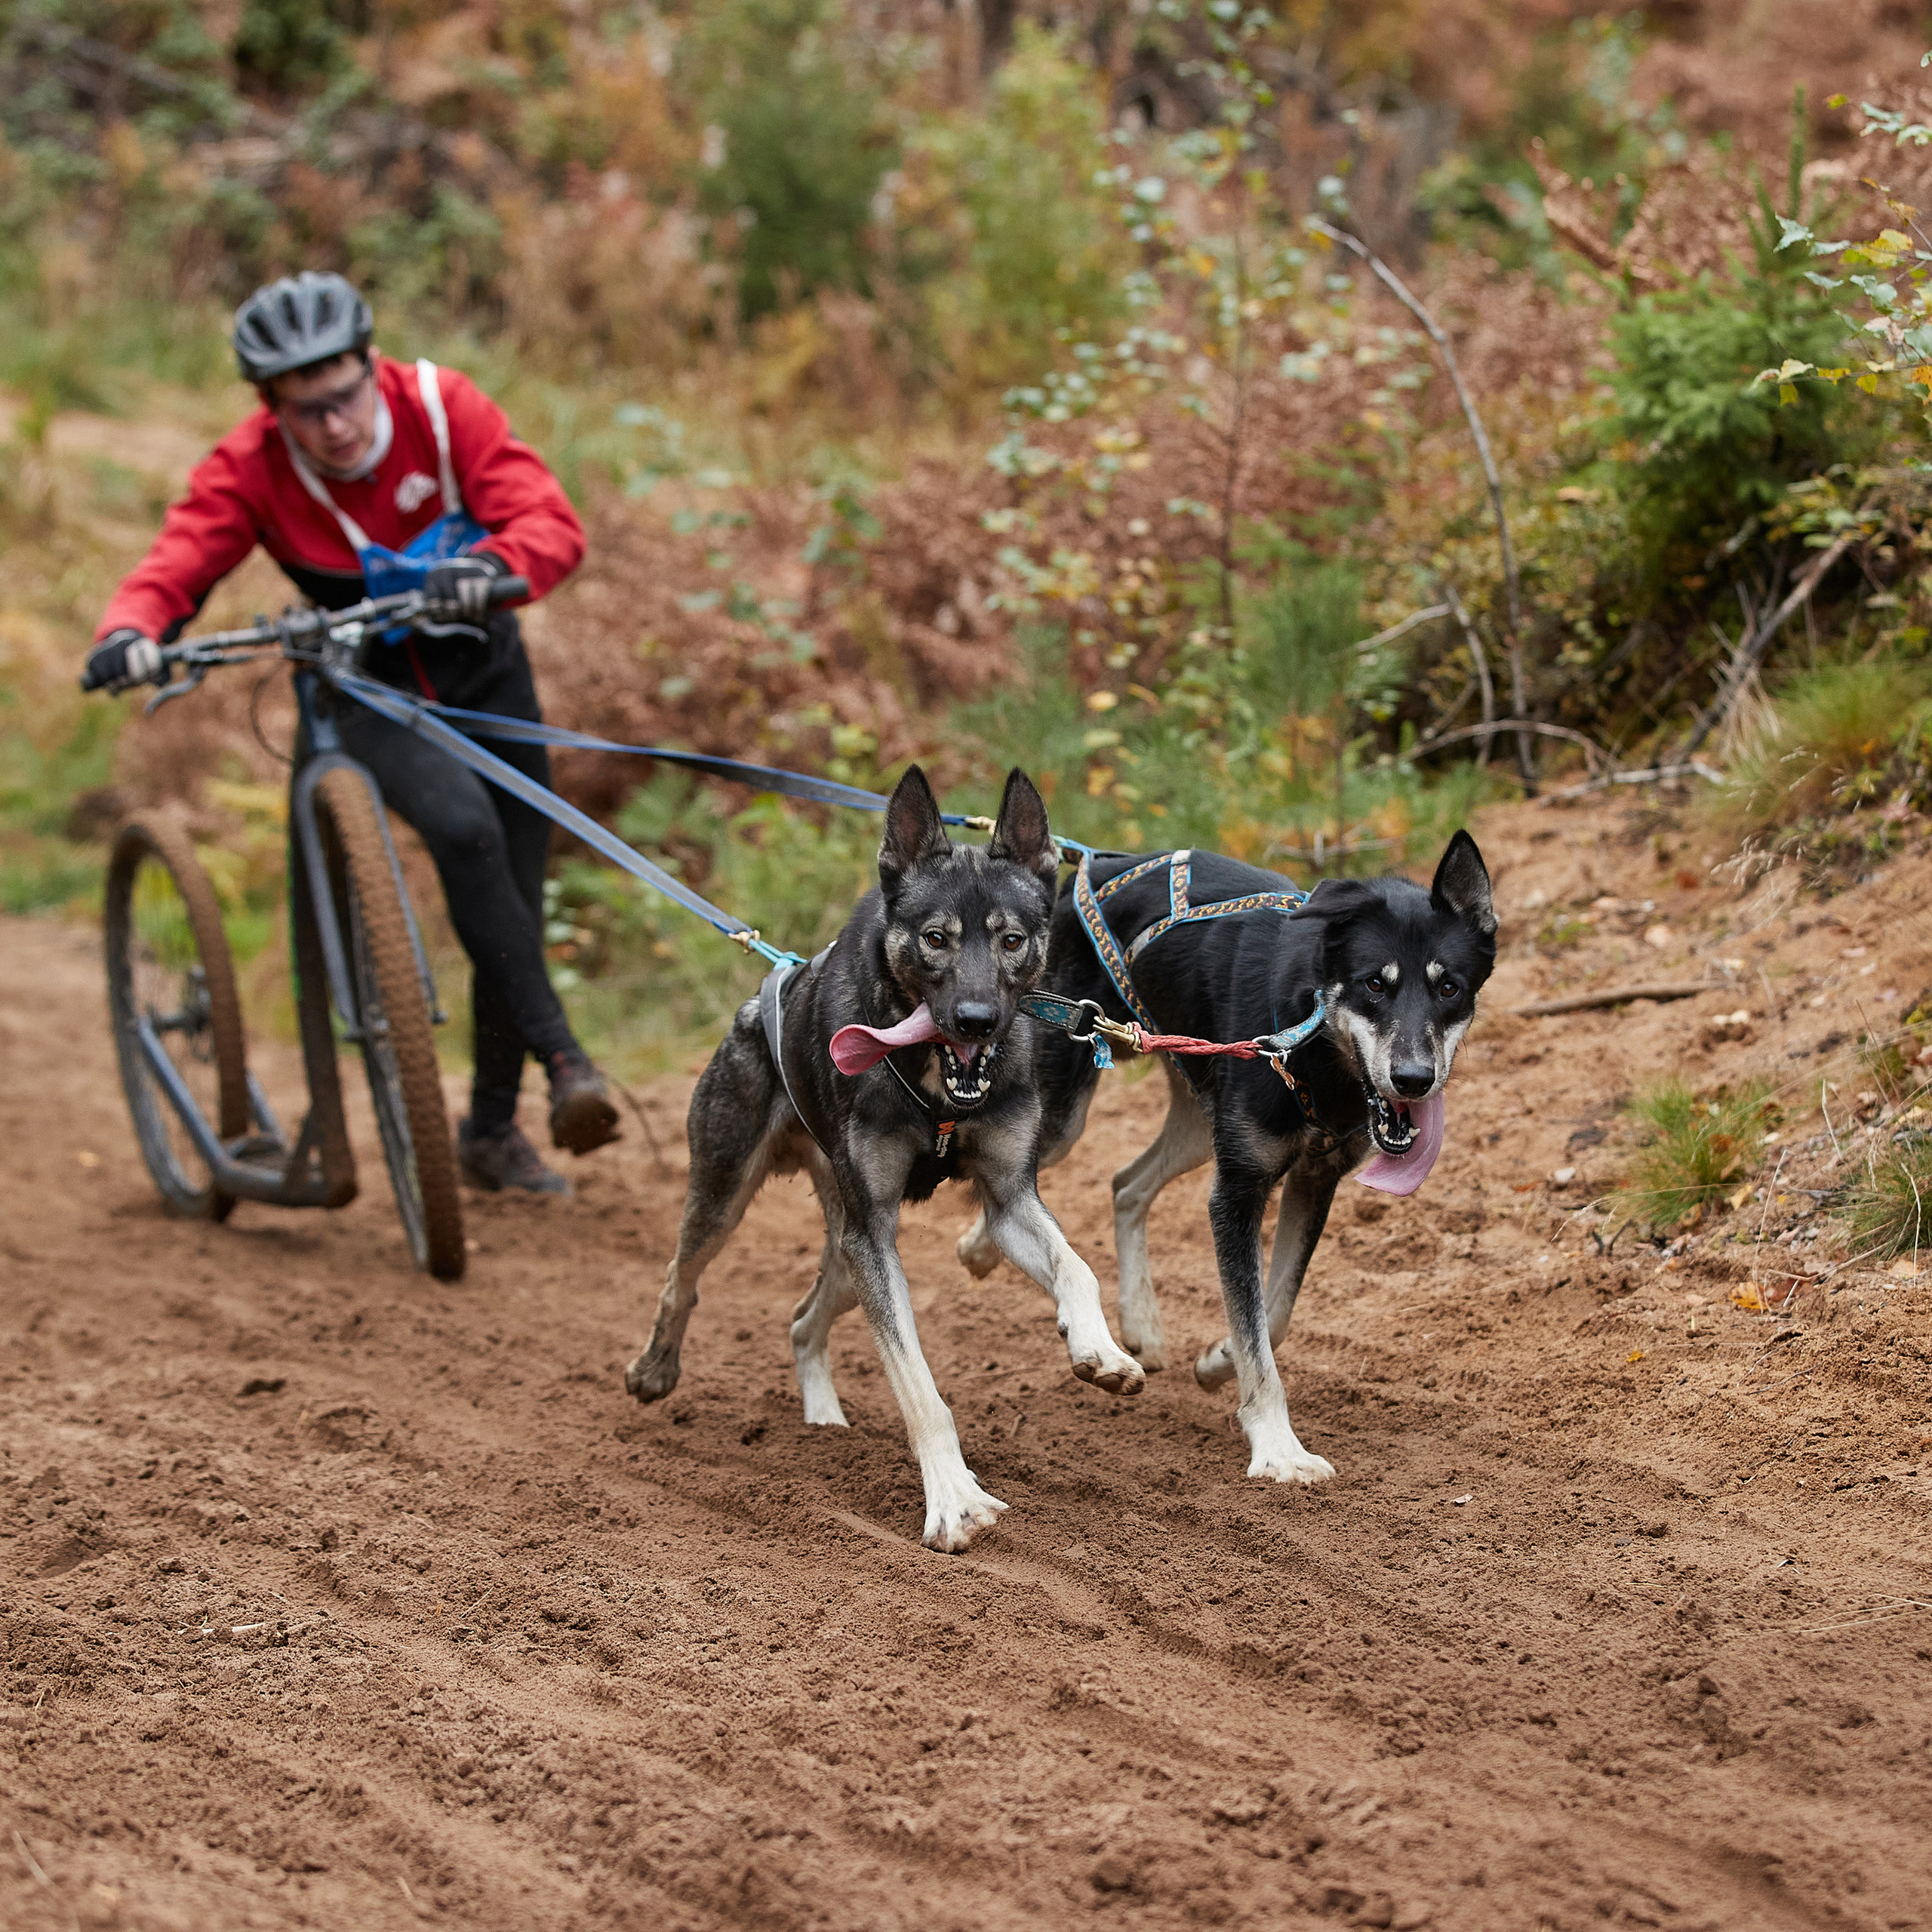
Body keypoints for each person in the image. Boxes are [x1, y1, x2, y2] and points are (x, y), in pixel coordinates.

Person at [85, 269, 620, 1197]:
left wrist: (493, 564)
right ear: (270, 409)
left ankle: (492, 1133)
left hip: (486, 677)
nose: (333, 424)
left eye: (344, 396)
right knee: (463, 830)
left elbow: (550, 522)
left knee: (514, 902)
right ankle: (568, 1062)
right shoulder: (249, 468)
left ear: (371, 366)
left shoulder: (444, 412)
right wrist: (131, 633)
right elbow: (177, 558)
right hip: (362, 692)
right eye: (306, 411)